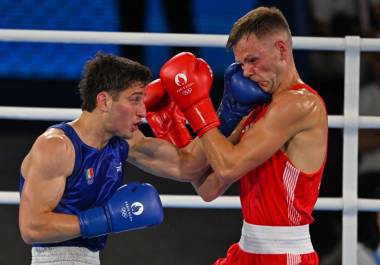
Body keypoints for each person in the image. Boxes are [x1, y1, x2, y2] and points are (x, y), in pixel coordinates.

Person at [160, 6, 328, 265]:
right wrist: (177, 129)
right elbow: (208, 188)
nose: (246, 72)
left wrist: (196, 107)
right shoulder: (257, 109)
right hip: (246, 250)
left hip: (284, 255)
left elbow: (228, 167)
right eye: (241, 64)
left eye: (253, 60)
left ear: (281, 50)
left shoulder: (299, 103)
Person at [18, 52, 209, 264]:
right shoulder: (57, 147)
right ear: (104, 101)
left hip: (92, 258)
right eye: (135, 99)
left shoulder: (124, 141)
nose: (143, 112)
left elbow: (188, 167)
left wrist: (226, 112)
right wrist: (105, 220)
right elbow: (32, 227)